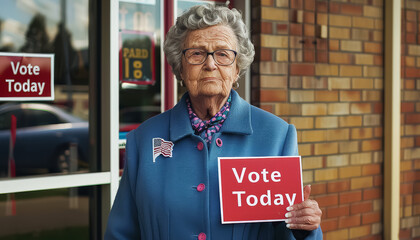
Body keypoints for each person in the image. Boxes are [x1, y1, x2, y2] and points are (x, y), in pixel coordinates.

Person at [105, 4, 322, 240]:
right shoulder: (144, 139)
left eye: (223, 54)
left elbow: (287, 231)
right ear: (180, 67)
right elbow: (121, 233)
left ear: (237, 68)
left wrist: (305, 226)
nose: (210, 64)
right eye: (197, 53)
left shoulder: (277, 136)